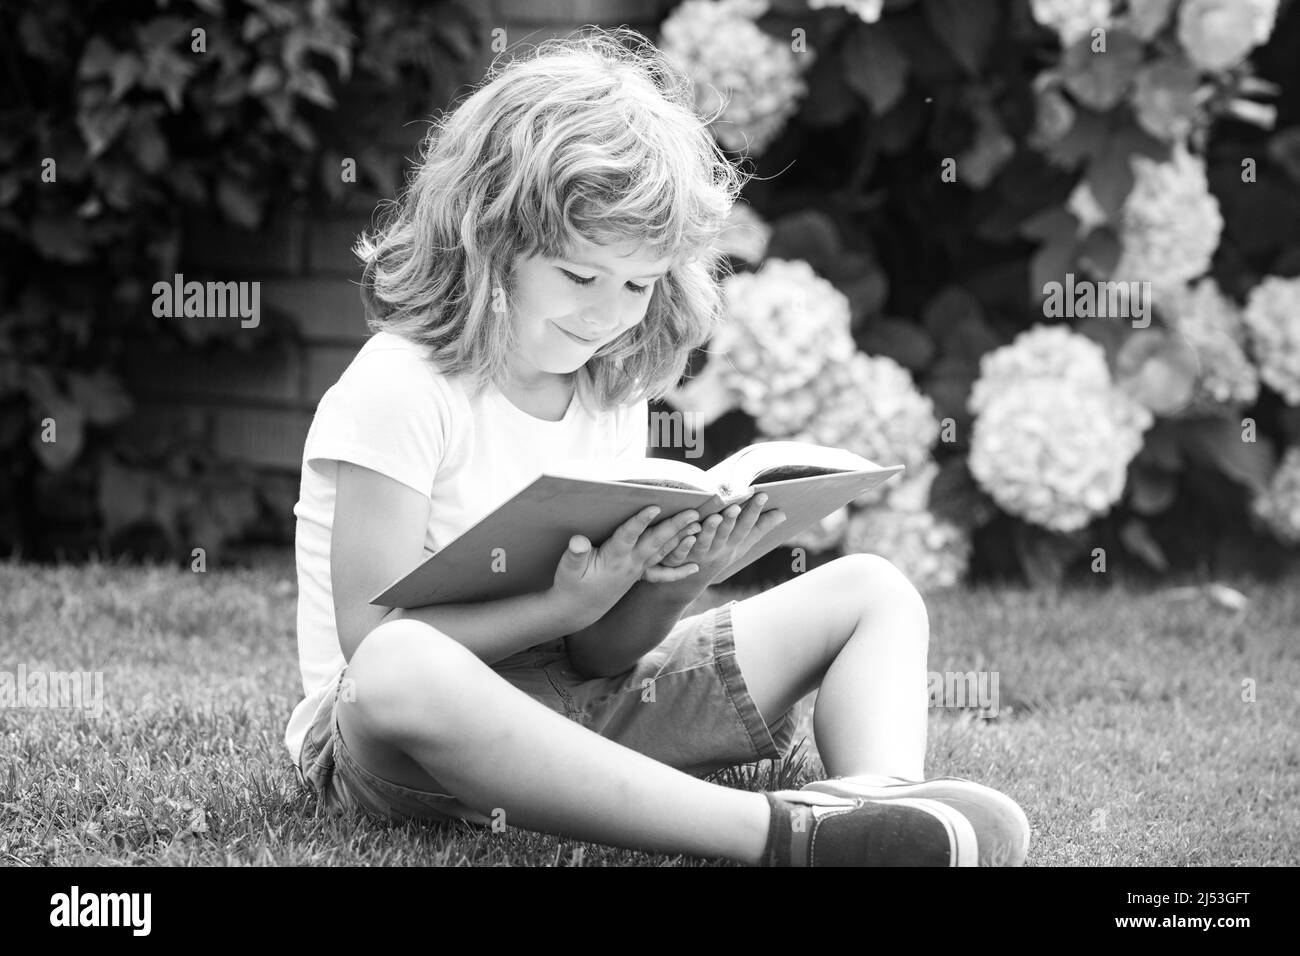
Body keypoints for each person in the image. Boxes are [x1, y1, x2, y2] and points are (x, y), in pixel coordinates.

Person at [285, 29, 1029, 867]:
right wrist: (561, 608)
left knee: (874, 591)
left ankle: (887, 813)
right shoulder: (401, 385)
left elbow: (601, 654)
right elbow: (368, 643)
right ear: (489, 237)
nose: (607, 314)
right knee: (398, 662)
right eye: (580, 276)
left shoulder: (606, 387)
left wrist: (677, 579)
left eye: (638, 284)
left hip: (577, 704)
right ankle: (783, 836)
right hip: (404, 741)